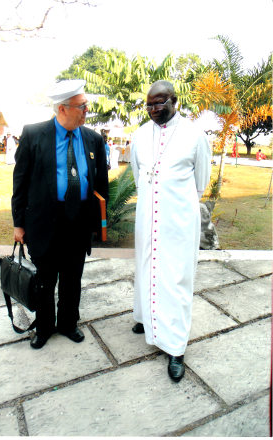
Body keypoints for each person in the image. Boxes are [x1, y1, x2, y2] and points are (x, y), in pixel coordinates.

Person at [12, 79, 109, 349]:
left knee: (72, 278)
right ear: (63, 109)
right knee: (45, 279)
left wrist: (99, 221)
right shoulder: (33, 135)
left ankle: (68, 323)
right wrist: (18, 223)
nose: (87, 110)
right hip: (44, 222)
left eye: (87, 105)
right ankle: (44, 327)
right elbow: (19, 182)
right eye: (82, 106)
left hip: (78, 222)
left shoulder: (93, 139)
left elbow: (101, 184)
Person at [130, 80, 211, 382]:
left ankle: (176, 347)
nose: (153, 109)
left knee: (175, 278)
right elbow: (140, 176)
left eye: (159, 102)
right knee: (145, 267)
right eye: (149, 104)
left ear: (174, 101)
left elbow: (200, 181)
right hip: (146, 216)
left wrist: (172, 201)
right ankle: (144, 320)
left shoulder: (194, 134)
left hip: (178, 218)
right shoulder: (139, 135)